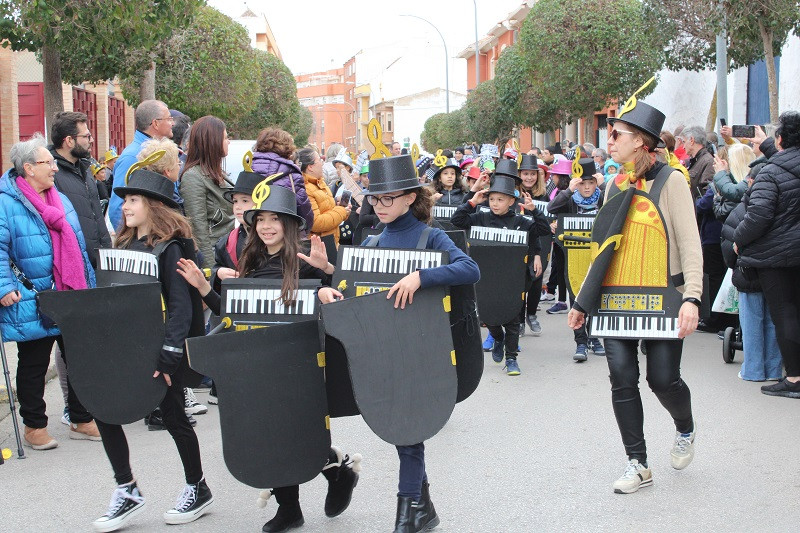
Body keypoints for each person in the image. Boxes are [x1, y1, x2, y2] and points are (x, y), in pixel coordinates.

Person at [175, 183, 360, 533]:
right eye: (261, 219)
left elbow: (345, 299)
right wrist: (204, 287)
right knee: (270, 433)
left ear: (289, 224)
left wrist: (327, 274)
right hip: (257, 365)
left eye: (275, 218)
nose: (267, 226)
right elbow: (232, 316)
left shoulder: (304, 259)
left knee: (296, 434)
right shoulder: (250, 259)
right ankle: (290, 509)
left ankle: (337, 472)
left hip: (300, 366)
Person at [567, 100, 702, 494]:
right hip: (616, 300)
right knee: (622, 379)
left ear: (642, 142)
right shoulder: (614, 184)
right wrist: (582, 303)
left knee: (663, 380)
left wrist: (692, 297)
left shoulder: (672, 180)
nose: (609, 141)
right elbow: (602, 249)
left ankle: (685, 427)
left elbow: (690, 244)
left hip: (662, 300)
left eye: (616, 135)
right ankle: (638, 463)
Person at [357, 154, 479, 532]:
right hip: (383, 349)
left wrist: (421, 276)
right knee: (399, 426)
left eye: (387, 198)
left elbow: (469, 269)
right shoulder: (372, 240)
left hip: (421, 347)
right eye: (374, 200)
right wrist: (331, 278)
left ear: (410, 197)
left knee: (409, 428)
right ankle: (421, 505)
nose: (379, 206)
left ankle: (409, 508)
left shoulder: (431, 235)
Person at [92, 163, 214, 532]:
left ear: (153, 206)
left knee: (175, 418)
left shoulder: (171, 249)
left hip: (161, 351)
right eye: (124, 200)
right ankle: (127, 489)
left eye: (133, 200)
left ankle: (198, 487)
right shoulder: (123, 245)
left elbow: (180, 308)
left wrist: (170, 354)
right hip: (125, 348)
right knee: (105, 410)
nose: (125, 207)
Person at [0, 134, 99, 450]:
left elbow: (78, 247)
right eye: (48, 163)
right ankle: (34, 426)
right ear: (28, 168)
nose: (55, 168)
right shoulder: (6, 201)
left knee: (79, 358)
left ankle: (81, 418)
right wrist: (4, 286)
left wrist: (87, 286)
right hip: (32, 294)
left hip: (68, 292)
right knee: (33, 362)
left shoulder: (59, 198)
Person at [733, 111, 800, 399]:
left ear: (781, 138)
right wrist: (768, 147)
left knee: (784, 314)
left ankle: (795, 378)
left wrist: (738, 240)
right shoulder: (780, 166)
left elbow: (757, 217)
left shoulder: (770, 172)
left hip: (778, 256)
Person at [452, 169, 541, 376]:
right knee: (487, 315)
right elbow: (457, 221)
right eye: (491, 199)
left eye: (500, 199)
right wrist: (472, 202)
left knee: (512, 318)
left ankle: (511, 358)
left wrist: (534, 211)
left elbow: (541, 232)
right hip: (486, 277)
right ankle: (497, 338)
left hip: (513, 278)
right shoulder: (479, 219)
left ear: (511, 201)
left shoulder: (521, 222)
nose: (494, 203)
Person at [720, 162, 782, 382]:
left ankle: (753, 370)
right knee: (774, 321)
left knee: (751, 322)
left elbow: (729, 238)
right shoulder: (781, 206)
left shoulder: (744, 207)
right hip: (775, 271)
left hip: (747, 270)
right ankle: (774, 369)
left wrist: (734, 259)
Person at [547, 158, 605, 361]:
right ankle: (580, 341)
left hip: (596, 254)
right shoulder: (570, 199)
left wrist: (604, 185)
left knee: (597, 295)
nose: (587, 187)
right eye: (582, 183)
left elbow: (616, 205)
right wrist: (569, 190)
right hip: (573, 256)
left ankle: (594, 337)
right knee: (576, 295)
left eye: (591, 183)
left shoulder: (602, 198)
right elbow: (552, 207)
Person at [50, 111, 112, 268]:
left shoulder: (85, 169)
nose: (91, 140)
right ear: (69, 141)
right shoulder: (51, 176)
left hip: (100, 262)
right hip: (76, 265)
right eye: (85, 136)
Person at [179, 115, 234, 268]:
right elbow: (198, 229)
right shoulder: (193, 177)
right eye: (225, 137)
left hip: (227, 251)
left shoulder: (219, 173)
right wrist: (211, 272)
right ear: (213, 141)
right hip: (215, 255)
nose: (228, 142)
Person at [109, 100, 174, 227]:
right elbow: (117, 208)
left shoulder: (158, 151)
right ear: (155, 123)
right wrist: (132, 242)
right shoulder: (133, 157)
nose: (172, 123)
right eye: (169, 118)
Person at [251, 128, 314, 232]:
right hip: (283, 233)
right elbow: (304, 211)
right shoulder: (291, 173)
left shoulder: (249, 167)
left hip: (254, 231)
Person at [518, 155, 551, 336]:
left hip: (540, 241)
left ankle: (531, 314)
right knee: (520, 280)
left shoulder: (543, 195)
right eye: (525, 174)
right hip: (520, 240)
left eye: (532, 174)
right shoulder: (513, 193)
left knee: (537, 277)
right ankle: (520, 317)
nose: (529, 177)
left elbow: (546, 221)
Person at [297, 147, 350, 245]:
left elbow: (325, 209)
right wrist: (341, 211)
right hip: (320, 246)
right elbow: (316, 223)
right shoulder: (306, 189)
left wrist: (336, 203)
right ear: (310, 167)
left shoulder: (320, 183)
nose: (322, 164)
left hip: (330, 242)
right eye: (320, 160)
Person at [543, 158, 572, 313]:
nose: (552, 177)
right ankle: (561, 300)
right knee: (559, 267)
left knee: (569, 269)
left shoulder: (572, 193)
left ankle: (571, 301)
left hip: (572, 235)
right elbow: (552, 208)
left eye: (555, 175)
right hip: (559, 235)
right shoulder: (558, 192)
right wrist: (554, 223)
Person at [682, 125, 715, 199]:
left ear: (691, 140)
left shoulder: (708, 161)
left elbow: (707, 195)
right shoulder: (694, 161)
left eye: (684, 142)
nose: (683, 147)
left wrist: (696, 206)